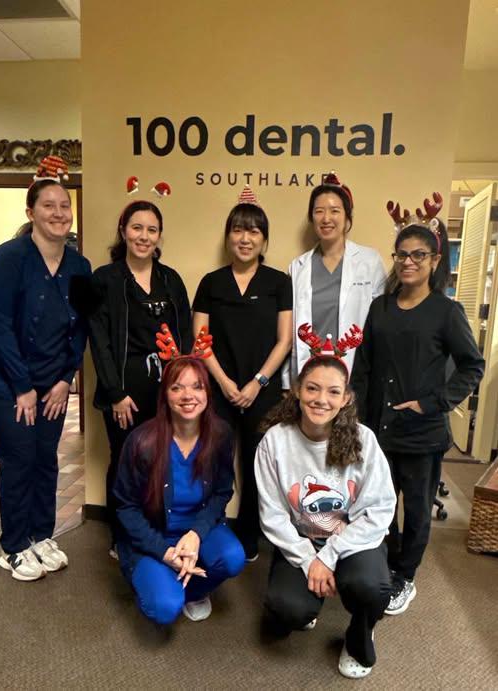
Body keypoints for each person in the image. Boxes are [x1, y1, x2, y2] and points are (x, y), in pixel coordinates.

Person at [350, 194, 485, 615]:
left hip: (421, 432)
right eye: (402, 255)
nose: (408, 262)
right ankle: (386, 563)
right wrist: (357, 416)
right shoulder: (380, 308)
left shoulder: (446, 312)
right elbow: (362, 366)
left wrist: (433, 403)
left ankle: (405, 576)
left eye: (418, 255)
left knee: (417, 509)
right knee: (379, 503)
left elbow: (472, 365)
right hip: (378, 427)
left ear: (434, 259)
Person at [0, 159, 91, 581]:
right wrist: (22, 387)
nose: (59, 213)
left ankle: (41, 535)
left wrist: (65, 378)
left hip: (51, 381)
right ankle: (14, 546)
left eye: (64, 205)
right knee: (20, 457)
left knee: (45, 458)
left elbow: (81, 325)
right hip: (3, 380)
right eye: (48, 206)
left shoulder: (79, 266)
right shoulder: (8, 258)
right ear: (31, 212)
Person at [255, 327, 396, 679]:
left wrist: (329, 556)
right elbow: (273, 515)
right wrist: (308, 560)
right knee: (287, 609)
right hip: (301, 539)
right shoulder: (275, 442)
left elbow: (379, 510)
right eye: (312, 388)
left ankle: (359, 635)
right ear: (297, 390)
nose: (321, 399)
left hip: (351, 541)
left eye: (333, 391)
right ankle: (306, 603)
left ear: (346, 398)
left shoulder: (363, 440)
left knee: (371, 588)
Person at [113, 328, 245, 625]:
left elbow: (222, 492)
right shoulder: (142, 441)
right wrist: (164, 552)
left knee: (232, 558)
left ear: (207, 393)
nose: (188, 396)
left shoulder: (221, 434)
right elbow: (125, 507)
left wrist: (196, 534)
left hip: (197, 531)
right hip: (154, 536)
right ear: (165, 394)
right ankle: (166, 579)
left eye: (197, 387)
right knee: (164, 609)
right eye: (177, 388)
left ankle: (191, 589)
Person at [193, 188, 292, 561]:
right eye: (237, 230)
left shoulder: (278, 282)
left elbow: (285, 341)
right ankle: (209, 531)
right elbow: (200, 341)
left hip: (262, 391)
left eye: (253, 231)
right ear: (227, 236)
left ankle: (250, 537)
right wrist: (225, 383)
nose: (245, 238)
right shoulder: (211, 282)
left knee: (256, 466)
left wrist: (257, 383)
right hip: (218, 389)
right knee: (213, 463)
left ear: (264, 239)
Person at [87, 199, 192, 552]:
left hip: (167, 392)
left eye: (151, 229)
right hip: (125, 394)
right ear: (123, 231)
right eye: (137, 228)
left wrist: (184, 387)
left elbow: (185, 334)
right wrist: (115, 393)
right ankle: (121, 538)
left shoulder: (171, 279)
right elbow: (98, 341)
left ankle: (155, 533)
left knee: (162, 461)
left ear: (159, 235)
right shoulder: (103, 279)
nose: (144, 236)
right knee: (124, 460)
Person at [284, 172, 386, 387]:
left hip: (355, 372)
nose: (326, 218)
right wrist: (287, 382)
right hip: (310, 373)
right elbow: (289, 330)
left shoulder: (369, 261)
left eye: (335, 211)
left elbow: (382, 322)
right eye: (318, 211)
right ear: (311, 218)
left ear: (347, 217)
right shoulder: (297, 267)